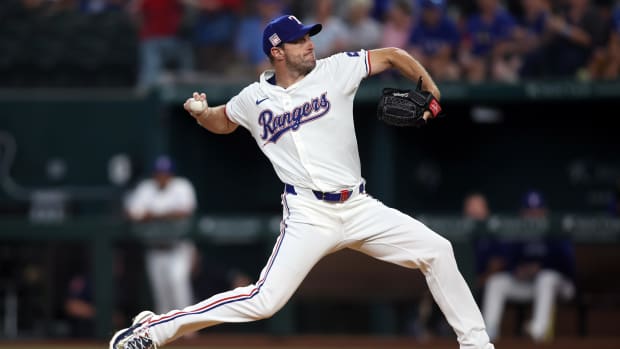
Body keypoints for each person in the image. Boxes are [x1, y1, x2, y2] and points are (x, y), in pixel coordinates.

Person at [110, 14, 495, 349]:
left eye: (309, 37)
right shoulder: (253, 98)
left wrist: (429, 87)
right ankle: (154, 330)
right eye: (300, 40)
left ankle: (477, 345)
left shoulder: (335, 69)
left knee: (439, 251)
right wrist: (200, 113)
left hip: (359, 206)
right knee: (264, 301)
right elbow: (223, 121)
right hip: (308, 213)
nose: (310, 44)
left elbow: (393, 55)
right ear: (277, 51)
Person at [480, 190, 576, 343]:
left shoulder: (555, 230)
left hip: (562, 286)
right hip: (531, 285)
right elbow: (509, 260)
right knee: (496, 282)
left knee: (546, 278)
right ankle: (487, 333)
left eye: (537, 211)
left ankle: (539, 331)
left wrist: (541, 267)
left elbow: (568, 265)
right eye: (529, 211)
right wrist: (518, 270)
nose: (533, 215)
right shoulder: (518, 233)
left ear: (545, 212)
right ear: (522, 213)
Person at [124, 155, 198, 315]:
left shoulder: (182, 186)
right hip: (154, 248)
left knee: (179, 287)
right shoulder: (146, 188)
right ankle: (166, 334)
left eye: (166, 173)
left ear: (172, 174)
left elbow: (185, 212)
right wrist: (164, 215)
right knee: (161, 295)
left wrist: (153, 215)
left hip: (178, 248)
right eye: (159, 173)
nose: (162, 176)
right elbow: (131, 213)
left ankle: (189, 334)